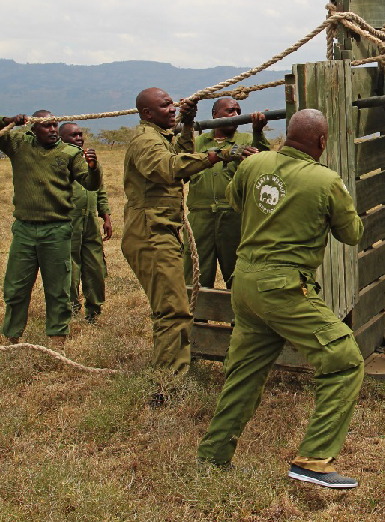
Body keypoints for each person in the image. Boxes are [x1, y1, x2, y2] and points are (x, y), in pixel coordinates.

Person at [197, 109, 365, 489]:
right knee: (344, 360)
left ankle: (212, 458)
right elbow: (351, 234)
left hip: (245, 283)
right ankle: (313, 460)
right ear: (322, 142)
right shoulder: (326, 181)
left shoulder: (253, 164)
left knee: (244, 374)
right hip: (284, 287)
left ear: (287, 134)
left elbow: (236, 202)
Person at [121, 88, 240, 374]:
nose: (171, 109)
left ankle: (173, 369)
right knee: (173, 310)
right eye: (165, 107)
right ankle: (167, 381)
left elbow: (183, 155)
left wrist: (187, 125)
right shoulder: (146, 141)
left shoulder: (160, 137)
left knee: (176, 306)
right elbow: (168, 167)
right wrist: (216, 156)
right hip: (151, 232)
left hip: (163, 229)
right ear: (147, 113)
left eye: (172, 105)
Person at [0, 111, 101, 346]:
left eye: (55, 125)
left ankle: (57, 341)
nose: (53, 130)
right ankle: (11, 339)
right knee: (16, 287)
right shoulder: (18, 145)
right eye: (46, 126)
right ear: (33, 129)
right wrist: (8, 121)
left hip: (57, 230)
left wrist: (94, 168)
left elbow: (90, 183)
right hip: (24, 229)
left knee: (58, 289)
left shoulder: (69, 153)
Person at [184, 98, 269, 289]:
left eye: (239, 111)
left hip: (234, 217)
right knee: (196, 275)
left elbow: (265, 166)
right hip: (200, 217)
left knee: (238, 274)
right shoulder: (196, 143)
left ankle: (237, 319)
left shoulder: (246, 141)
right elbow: (179, 169)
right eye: (230, 111)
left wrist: (258, 131)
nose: (236, 115)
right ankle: (197, 317)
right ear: (215, 115)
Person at [58, 122, 112, 322]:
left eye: (81, 134)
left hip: (89, 220)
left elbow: (100, 190)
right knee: (69, 267)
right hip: (67, 220)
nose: (79, 138)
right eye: (74, 135)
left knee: (95, 265)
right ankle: (70, 308)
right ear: (61, 138)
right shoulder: (58, 160)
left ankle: (94, 310)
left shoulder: (89, 160)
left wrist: (105, 216)